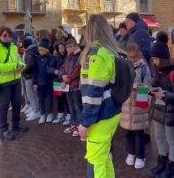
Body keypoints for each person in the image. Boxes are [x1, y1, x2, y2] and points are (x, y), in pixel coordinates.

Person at [78, 14, 123, 178]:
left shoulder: (96, 55)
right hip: (111, 112)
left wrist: (85, 122)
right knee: (104, 158)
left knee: (96, 162)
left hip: (100, 116)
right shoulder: (110, 53)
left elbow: (92, 93)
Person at [148, 39, 174, 177]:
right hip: (158, 110)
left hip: (170, 112)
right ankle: (161, 163)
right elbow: (155, 87)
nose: (153, 62)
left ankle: (171, 166)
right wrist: (149, 90)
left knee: (171, 138)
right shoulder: (158, 72)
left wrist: (163, 95)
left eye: (155, 59)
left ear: (162, 59)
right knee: (159, 137)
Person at [0, 26, 28, 140]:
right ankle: (4, 129)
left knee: (17, 104)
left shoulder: (14, 47)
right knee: (4, 106)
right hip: (3, 82)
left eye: (9, 36)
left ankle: (16, 124)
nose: (7, 38)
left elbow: (19, 60)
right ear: (0, 36)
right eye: (4, 35)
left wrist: (22, 65)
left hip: (16, 80)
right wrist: (14, 66)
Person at [121, 44, 152, 170]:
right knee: (128, 132)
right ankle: (131, 153)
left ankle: (140, 156)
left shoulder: (144, 68)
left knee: (139, 132)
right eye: (130, 57)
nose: (132, 59)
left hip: (139, 103)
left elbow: (148, 86)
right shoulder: (125, 67)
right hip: (127, 105)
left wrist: (138, 88)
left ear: (138, 55)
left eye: (134, 57)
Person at [60, 37, 82, 136]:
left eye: (69, 47)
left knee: (77, 106)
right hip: (68, 86)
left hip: (76, 86)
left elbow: (77, 70)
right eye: (66, 47)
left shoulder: (79, 56)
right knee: (71, 106)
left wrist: (67, 80)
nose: (67, 50)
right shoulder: (68, 56)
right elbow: (62, 67)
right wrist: (62, 75)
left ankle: (79, 125)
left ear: (74, 46)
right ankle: (73, 123)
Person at [33, 38, 55, 124]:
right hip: (39, 82)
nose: (41, 52)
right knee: (40, 99)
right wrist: (34, 82)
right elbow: (35, 71)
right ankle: (42, 114)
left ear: (46, 50)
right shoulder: (37, 59)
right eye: (39, 50)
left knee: (49, 99)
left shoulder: (51, 58)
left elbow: (51, 69)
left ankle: (49, 113)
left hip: (48, 82)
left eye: (42, 50)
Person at [21, 38, 41, 121]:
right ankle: (34, 109)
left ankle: (36, 111)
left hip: (30, 76)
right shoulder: (32, 51)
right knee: (30, 94)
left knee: (31, 94)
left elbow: (30, 64)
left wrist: (22, 70)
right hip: (29, 75)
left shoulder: (30, 52)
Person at [51, 42, 70, 124]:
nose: (61, 49)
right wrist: (54, 70)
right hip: (57, 82)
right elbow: (49, 68)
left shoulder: (68, 57)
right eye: (60, 48)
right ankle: (60, 114)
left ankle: (68, 115)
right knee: (59, 99)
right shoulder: (55, 57)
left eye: (63, 47)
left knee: (67, 100)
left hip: (66, 81)